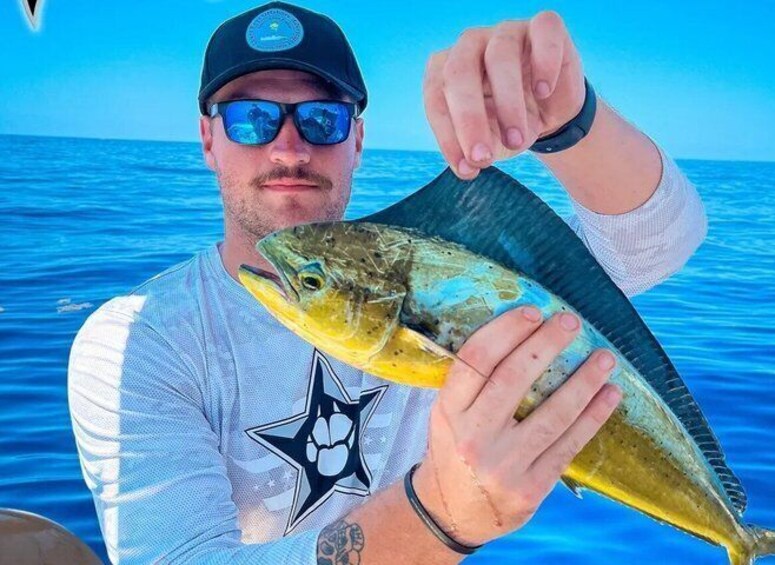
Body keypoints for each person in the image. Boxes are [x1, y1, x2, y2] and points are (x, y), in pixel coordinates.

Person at [67, 2, 707, 563]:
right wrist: (440, 515)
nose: (288, 149)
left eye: (322, 119)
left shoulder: (442, 274)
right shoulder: (140, 341)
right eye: (250, 119)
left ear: (357, 138)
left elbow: (659, 240)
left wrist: (570, 120)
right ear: (209, 140)